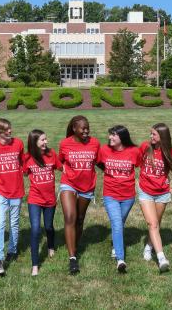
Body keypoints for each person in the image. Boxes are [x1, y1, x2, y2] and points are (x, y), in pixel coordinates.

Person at [138, 123, 172, 272]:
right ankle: (161, 258)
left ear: (162, 137)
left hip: (162, 193)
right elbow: (135, 160)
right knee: (152, 224)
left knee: (156, 223)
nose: (151, 136)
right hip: (145, 191)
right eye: (150, 133)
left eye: (154, 134)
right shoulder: (145, 147)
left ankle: (149, 245)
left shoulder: (170, 152)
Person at [58, 115, 100, 274]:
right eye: (83, 128)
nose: (86, 130)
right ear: (74, 129)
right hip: (68, 182)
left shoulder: (95, 143)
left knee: (80, 218)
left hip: (87, 186)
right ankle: (72, 258)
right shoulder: (65, 143)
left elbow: (98, 161)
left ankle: (74, 245)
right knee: (70, 217)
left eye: (87, 127)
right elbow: (60, 160)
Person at [97, 125, 140, 273]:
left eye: (113, 135)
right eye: (110, 135)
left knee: (119, 223)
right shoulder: (104, 150)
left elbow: (144, 165)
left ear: (122, 137)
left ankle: (115, 246)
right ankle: (120, 259)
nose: (110, 138)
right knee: (116, 223)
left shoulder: (134, 151)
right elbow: (98, 162)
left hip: (128, 196)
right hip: (110, 194)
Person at [0, 118, 25, 276]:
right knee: (0, 223)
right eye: (7, 129)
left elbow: (23, 162)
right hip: (0, 191)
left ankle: (12, 250)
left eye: (10, 128)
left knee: (14, 223)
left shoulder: (18, 144)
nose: (10, 131)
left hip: (16, 190)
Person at [24, 129, 62, 276]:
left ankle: (51, 245)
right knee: (35, 229)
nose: (46, 142)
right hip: (34, 199)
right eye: (42, 140)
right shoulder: (28, 158)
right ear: (34, 142)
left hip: (50, 199)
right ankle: (35, 264)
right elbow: (24, 172)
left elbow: (62, 168)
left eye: (46, 139)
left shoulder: (51, 154)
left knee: (48, 227)